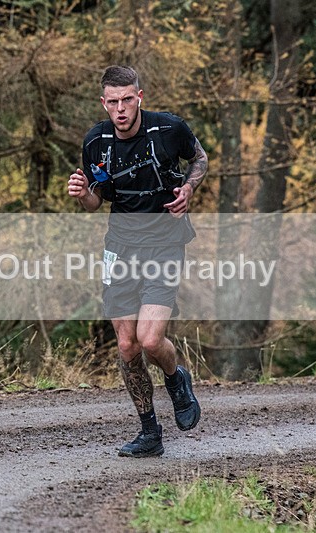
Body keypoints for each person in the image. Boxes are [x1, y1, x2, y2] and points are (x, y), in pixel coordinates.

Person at [67, 66, 207, 457]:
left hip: (165, 243)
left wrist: (189, 189)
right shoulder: (96, 141)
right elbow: (98, 200)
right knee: (127, 346)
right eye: (113, 102)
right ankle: (150, 432)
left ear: (139, 97)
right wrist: (82, 194)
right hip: (120, 248)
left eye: (127, 99)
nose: (121, 108)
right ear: (104, 103)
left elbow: (200, 158)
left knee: (149, 340)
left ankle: (176, 378)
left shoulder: (168, 129)